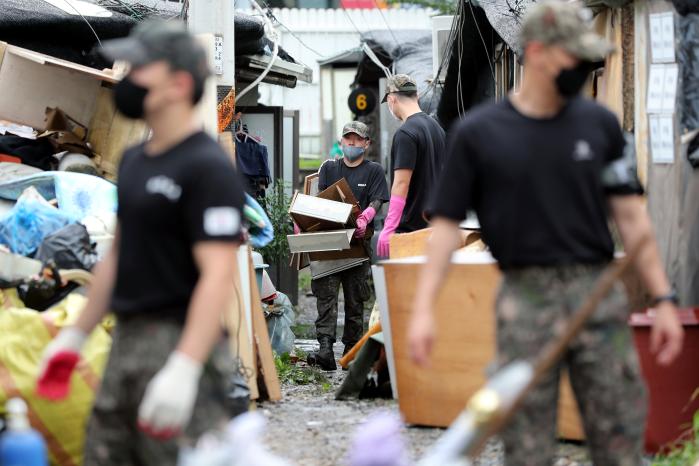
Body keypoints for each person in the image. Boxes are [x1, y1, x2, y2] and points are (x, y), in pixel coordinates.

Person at [407, 2, 684, 465]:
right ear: (536, 53)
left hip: (597, 293)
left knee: (620, 431)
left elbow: (633, 218)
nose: (584, 67)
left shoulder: (598, 125)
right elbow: (445, 229)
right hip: (525, 299)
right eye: (573, 56)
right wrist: (422, 311)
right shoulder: (478, 134)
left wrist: (664, 299)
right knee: (526, 440)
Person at [35, 21, 246, 465]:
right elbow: (117, 256)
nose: (126, 77)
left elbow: (217, 275)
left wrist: (185, 366)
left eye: (140, 68)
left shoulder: (208, 167)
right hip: (127, 339)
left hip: (181, 341)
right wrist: (75, 335)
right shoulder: (134, 161)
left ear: (178, 83)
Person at [307, 121, 390, 371]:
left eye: (357, 139)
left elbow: (377, 199)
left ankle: (351, 352)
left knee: (356, 302)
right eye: (348, 139)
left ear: (367, 143)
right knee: (326, 298)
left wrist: (366, 216)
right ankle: (325, 350)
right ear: (341, 141)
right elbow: (321, 200)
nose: (352, 143)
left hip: (358, 246)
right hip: (331, 245)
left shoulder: (373, 170)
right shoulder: (329, 168)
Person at [377, 74, 446, 258]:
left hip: (411, 234)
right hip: (434, 228)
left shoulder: (406, 133)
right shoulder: (436, 128)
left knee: (407, 286)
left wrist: (389, 228)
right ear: (416, 96)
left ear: (391, 100)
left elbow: (401, 184)